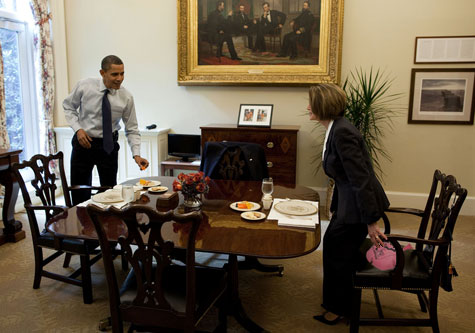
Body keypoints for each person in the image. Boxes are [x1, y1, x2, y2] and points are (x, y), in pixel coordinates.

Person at [307, 84, 389, 325]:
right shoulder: (335, 128)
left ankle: (339, 308)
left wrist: (371, 222)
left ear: (323, 106)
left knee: (336, 249)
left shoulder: (342, 132)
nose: (307, 107)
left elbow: (360, 178)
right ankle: (336, 303)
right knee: (333, 245)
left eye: (311, 102)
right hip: (348, 202)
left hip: (357, 205)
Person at [63, 55, 149, 205]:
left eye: (122, 73)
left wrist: (136, 155)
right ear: (102, 73)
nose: (119, 78)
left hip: (108, 146)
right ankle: (80, 226)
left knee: (110, 193)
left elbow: (132, 128)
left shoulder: (126, 97)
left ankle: (106, 226)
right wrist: (78, 129)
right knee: (79, 192)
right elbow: (68, 107)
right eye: (114, 74)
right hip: (83, 143)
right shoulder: (84, 86)